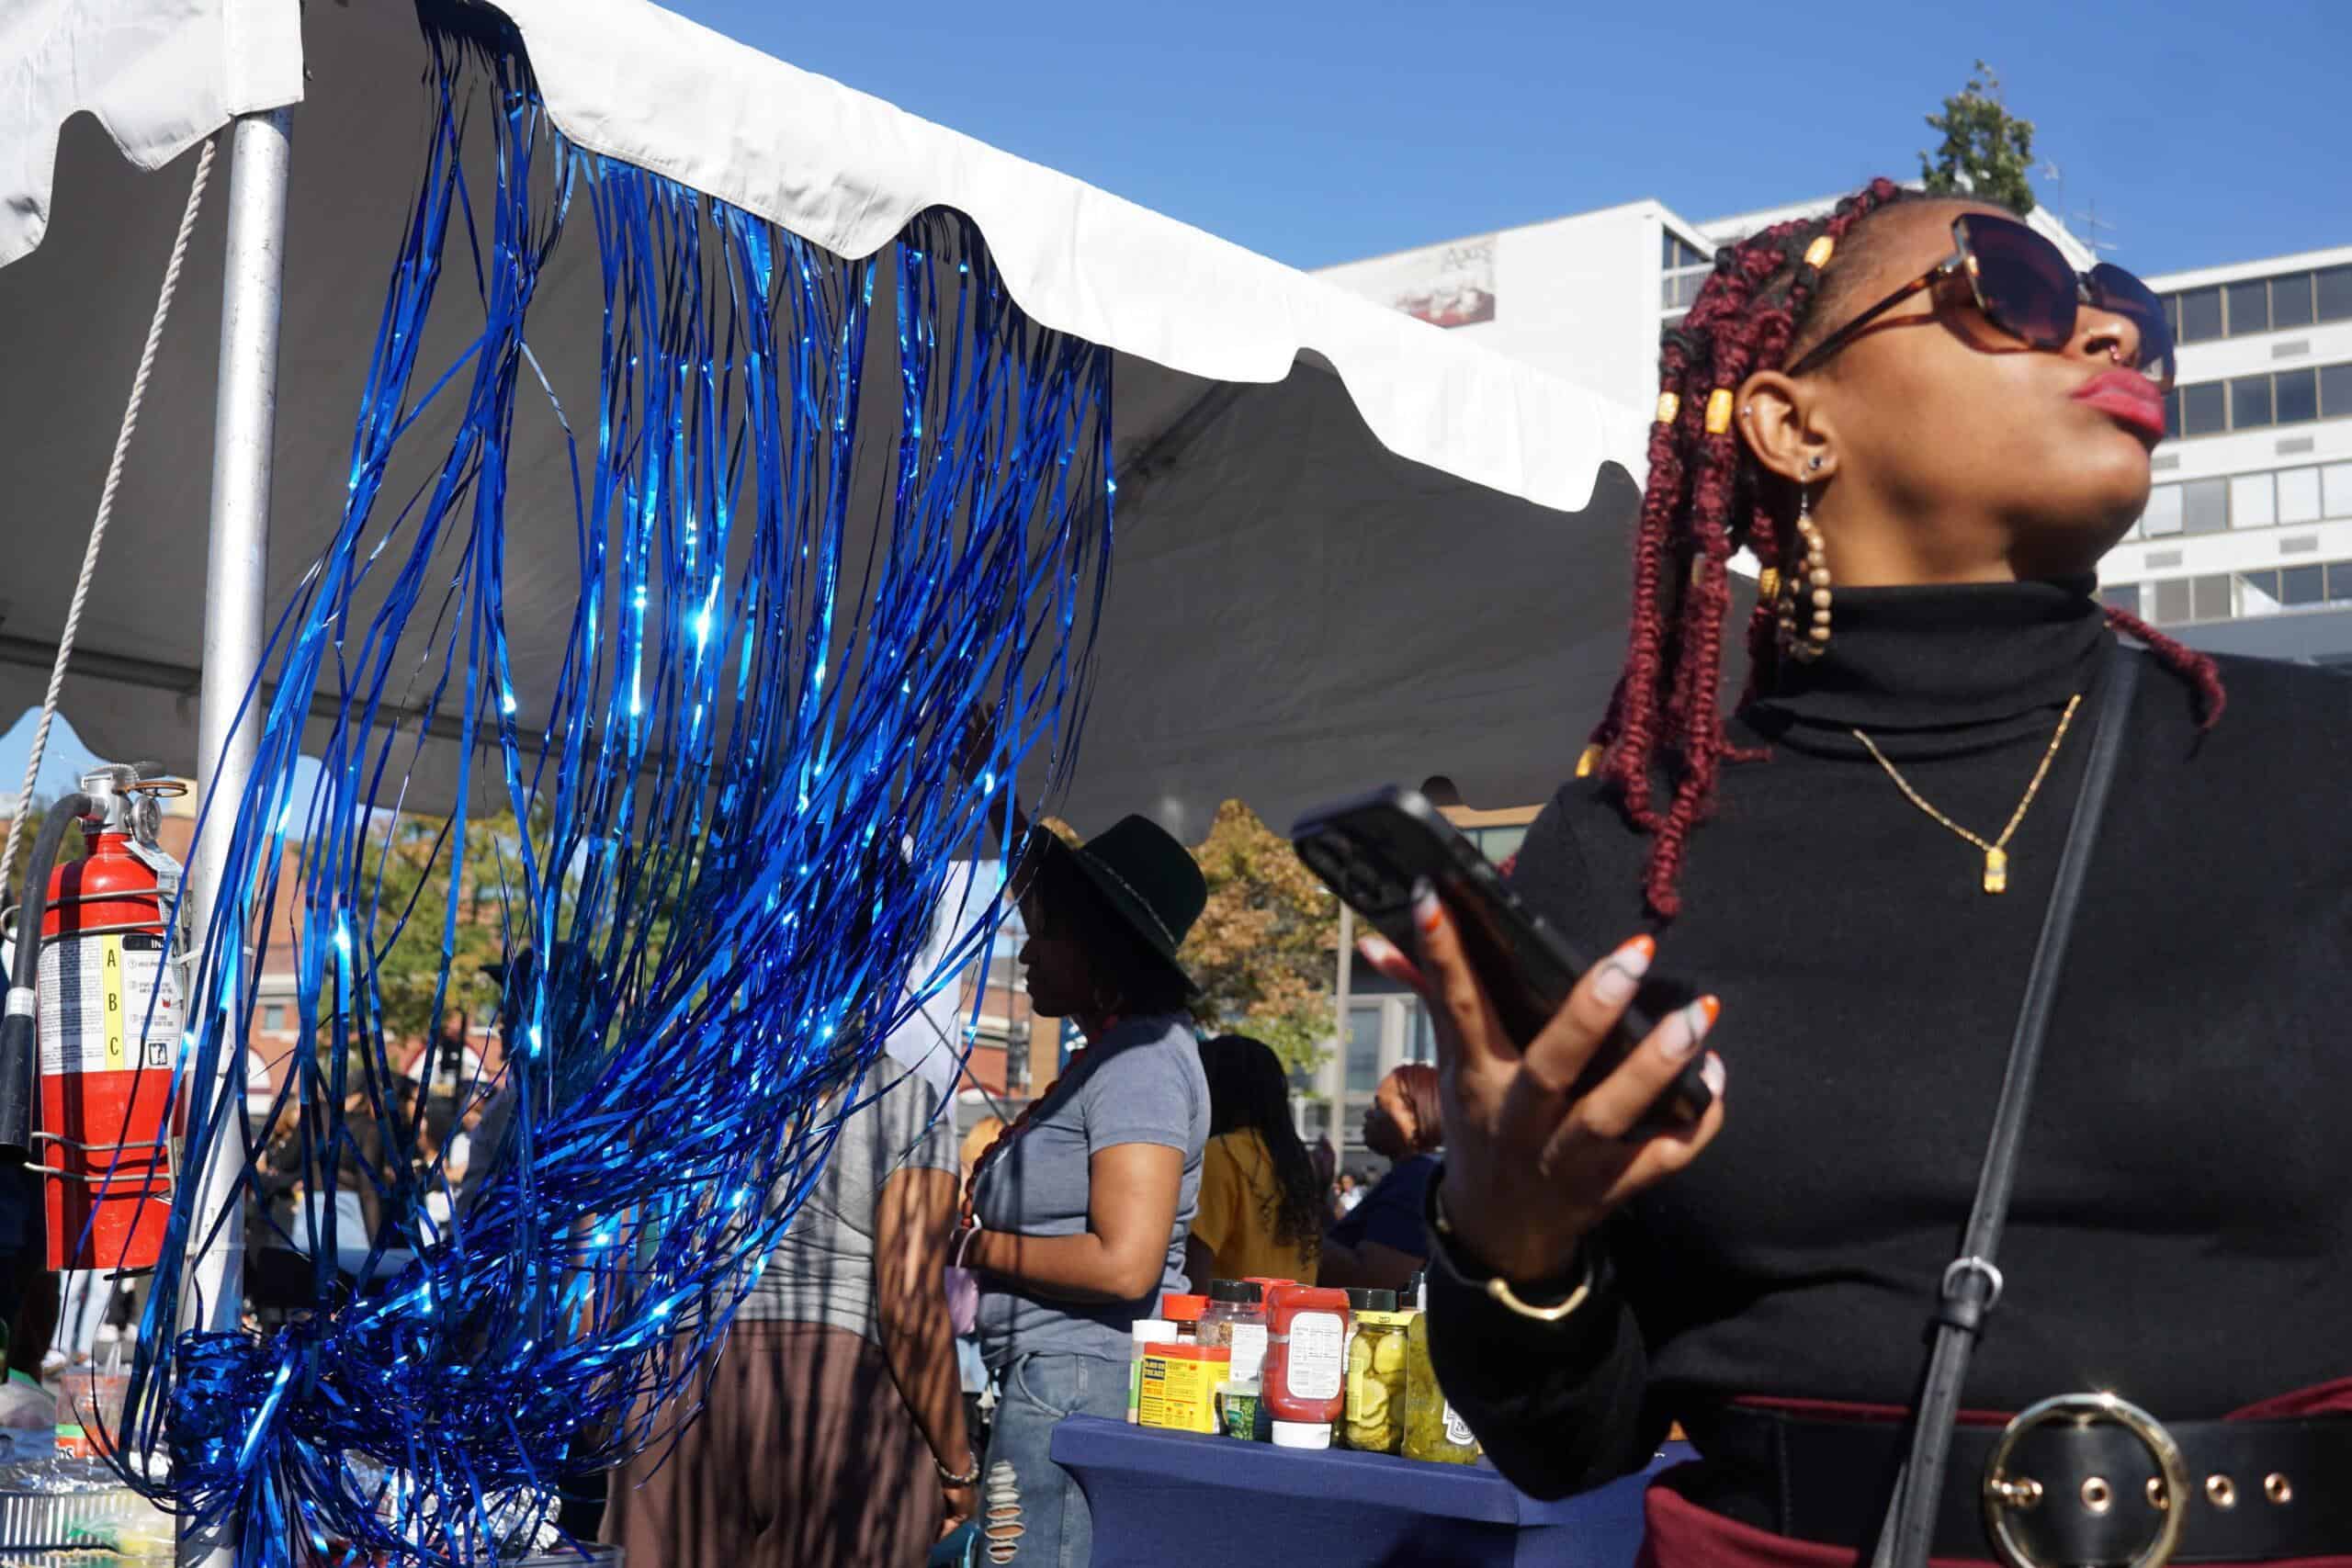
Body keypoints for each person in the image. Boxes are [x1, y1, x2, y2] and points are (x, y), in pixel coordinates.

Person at [1358, 179, 2352, 1566]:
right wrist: (1504, 1238)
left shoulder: (2311, 763)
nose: (2114, 337)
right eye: (2011, 287)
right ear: (1792, 421)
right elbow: (1569, 1441)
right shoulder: (1633, 847)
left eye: (2126, 308)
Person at [954, 817, 1210, 1568]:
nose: (1027, 949)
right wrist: (997, 796)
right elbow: (1036, 873)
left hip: (1075, 1388)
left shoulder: (1142, 1062)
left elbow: (1125, 1264)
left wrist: (976, 1248)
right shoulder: (1115, 1054)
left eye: (1048, 931)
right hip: (1057, 1384)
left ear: (1101, 946)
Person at [1186, 1035, 1322, 1287]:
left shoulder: (1221, 1154)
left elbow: (1195, 1270)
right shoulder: (1296, 1162)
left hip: (1230, 1312)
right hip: (1294, 1312)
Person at [1316, 1064, 1441, 1292]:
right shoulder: (1409, 1174)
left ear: (1415, 1115)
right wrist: (1321, 1193)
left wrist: (1292, 1235)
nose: (1368, 1113)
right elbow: (1345, 1245)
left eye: (1380, 1106)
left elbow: (1371, 1279)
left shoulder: (1416, 1179)